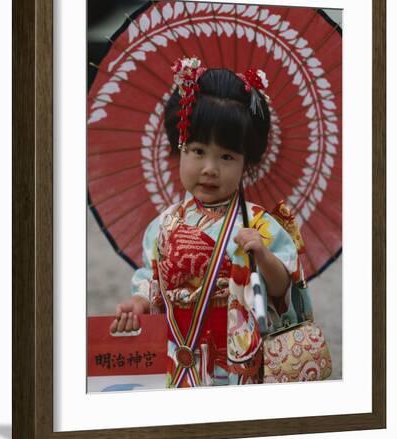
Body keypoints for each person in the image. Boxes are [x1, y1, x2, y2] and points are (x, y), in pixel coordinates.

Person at [110, 56, 306, 387]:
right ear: (179, 148)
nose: (210, 168)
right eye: (197, 151)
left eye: (227, 156)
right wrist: (140, 301)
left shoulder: (260, 224)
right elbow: (152, 278)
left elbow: (287, 293)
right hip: (179, 348)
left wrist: (264, 256)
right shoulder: (164, 224)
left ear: (247, 162)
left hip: (237, 355)